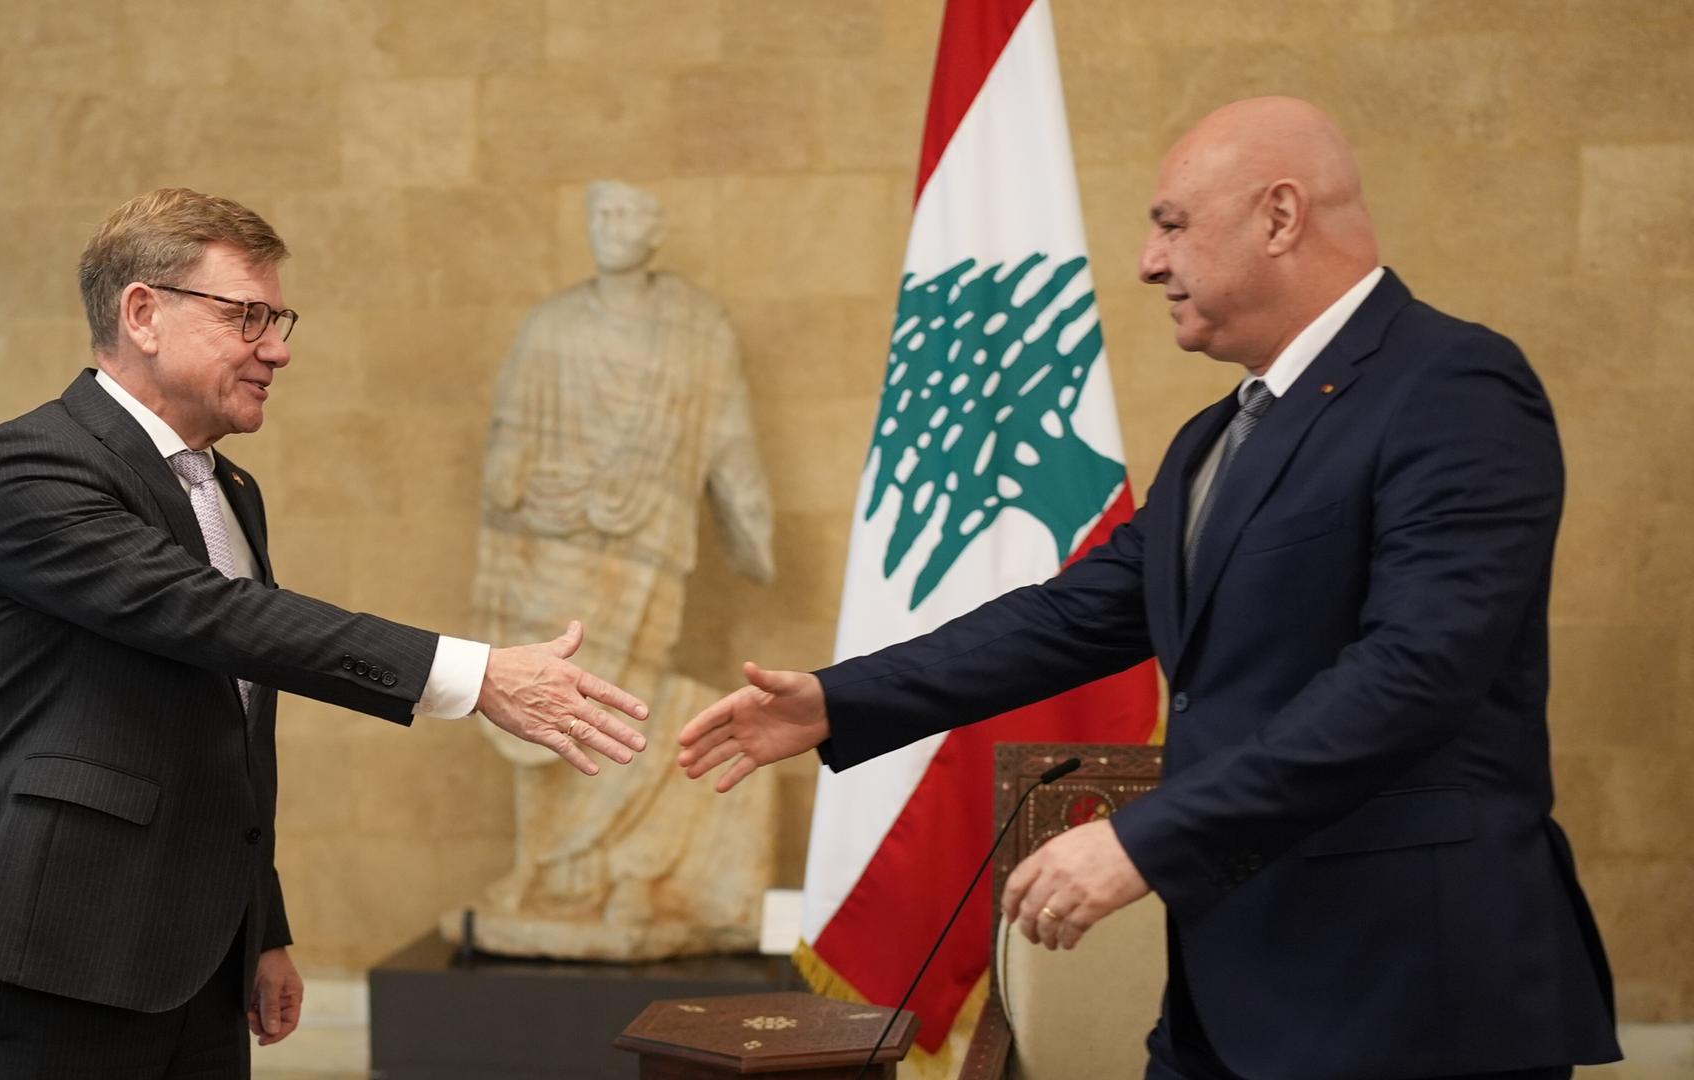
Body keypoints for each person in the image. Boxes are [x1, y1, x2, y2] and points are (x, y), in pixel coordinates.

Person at [677, 98, 1620, 1079]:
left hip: (1410, 1002)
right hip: (1230, 995)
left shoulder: (1455, 384)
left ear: (1280, 216)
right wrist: (840, 700)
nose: (1147, 262)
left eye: (1171, 223)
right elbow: (1073, 614)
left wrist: (1143, 839)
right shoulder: (1216, 437)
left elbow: (1415, 673)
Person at [0, 187, 649, 1078]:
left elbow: (228, 735)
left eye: (279, 319)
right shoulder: (34, 462)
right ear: (143, 312)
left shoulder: (228, 490)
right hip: (71, 945)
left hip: (201, 960)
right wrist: (471, 676)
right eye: (247, 316)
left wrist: (260, 932)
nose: (276, 348)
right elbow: (213, 615)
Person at [449, 180, 778, 959]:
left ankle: (616, 871)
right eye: (602, 214)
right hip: (545, 543)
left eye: (630, 214)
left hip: (643, 542)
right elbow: (509, 435)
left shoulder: (697, 326)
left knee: (620, 694)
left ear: (656, 230)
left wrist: (752, 527)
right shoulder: (551, 326)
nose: (613, 228)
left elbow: (727, 433)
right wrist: (502, 511)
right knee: (537, 696)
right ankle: (545, 870)